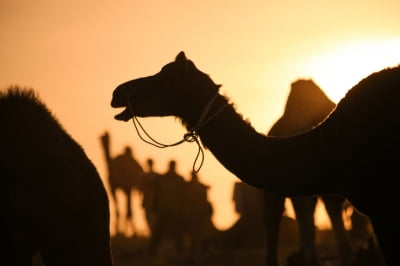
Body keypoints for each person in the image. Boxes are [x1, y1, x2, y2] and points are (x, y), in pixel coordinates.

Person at [148, 160, 186, 254]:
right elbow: (185, 195)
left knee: (160, 231)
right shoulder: (179, 179)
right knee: (176, 231)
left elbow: (155, 192)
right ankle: (179, 250)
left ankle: (153, 250)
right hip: (171, 209)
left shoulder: (162, 178)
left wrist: (154, 206)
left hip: (167, 209)